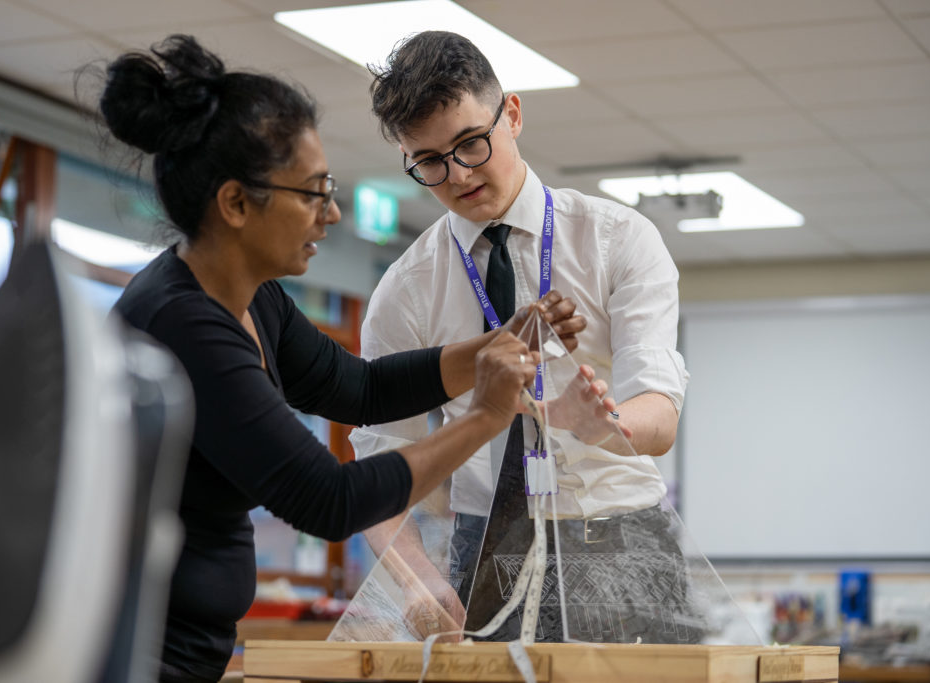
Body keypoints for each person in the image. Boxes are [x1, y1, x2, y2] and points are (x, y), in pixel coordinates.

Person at [99, 35, 588, 682]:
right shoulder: (181, 326)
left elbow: (361, 387)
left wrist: (499, 344)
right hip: (134, 655)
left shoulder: (253, 299)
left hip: (183, 649)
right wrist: (488, 416)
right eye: (313, 192)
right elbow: (328, 499)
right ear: (237, 204)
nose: (331, 213)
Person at [349, 31, 692, 643]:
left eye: (470, 144)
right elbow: (379, 461)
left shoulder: (617, 239)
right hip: (481, 549)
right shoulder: (406, 289)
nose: (457, 175)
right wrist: (415, 578)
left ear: (511, 112)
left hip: (621, 541)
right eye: (429, 161)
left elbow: (660, 420)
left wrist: (601, 425)